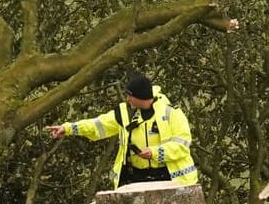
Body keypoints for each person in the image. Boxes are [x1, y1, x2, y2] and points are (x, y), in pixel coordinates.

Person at [46, 73, 196, 188]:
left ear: (141, 97)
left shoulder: (172, 113)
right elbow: (97, 125)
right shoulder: (124, 113)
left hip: (170, 178)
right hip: (135, 178)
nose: (128, 99)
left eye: (130, 96)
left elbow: (182, 146)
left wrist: (154, 152)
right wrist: (67, 128)